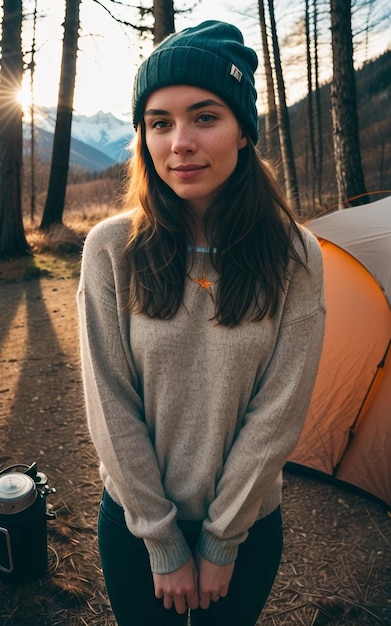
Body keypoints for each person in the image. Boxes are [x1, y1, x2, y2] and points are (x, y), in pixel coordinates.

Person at [77, 20, 325, 626]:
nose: (179, 141)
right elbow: (109, 403)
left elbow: (280, 410)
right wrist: (162, 542)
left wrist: (221, 539)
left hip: (247, 529)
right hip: (135, 529)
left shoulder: (294, 254)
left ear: (244, 132)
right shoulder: (111, 248)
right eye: (160, 123)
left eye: (205, 117)